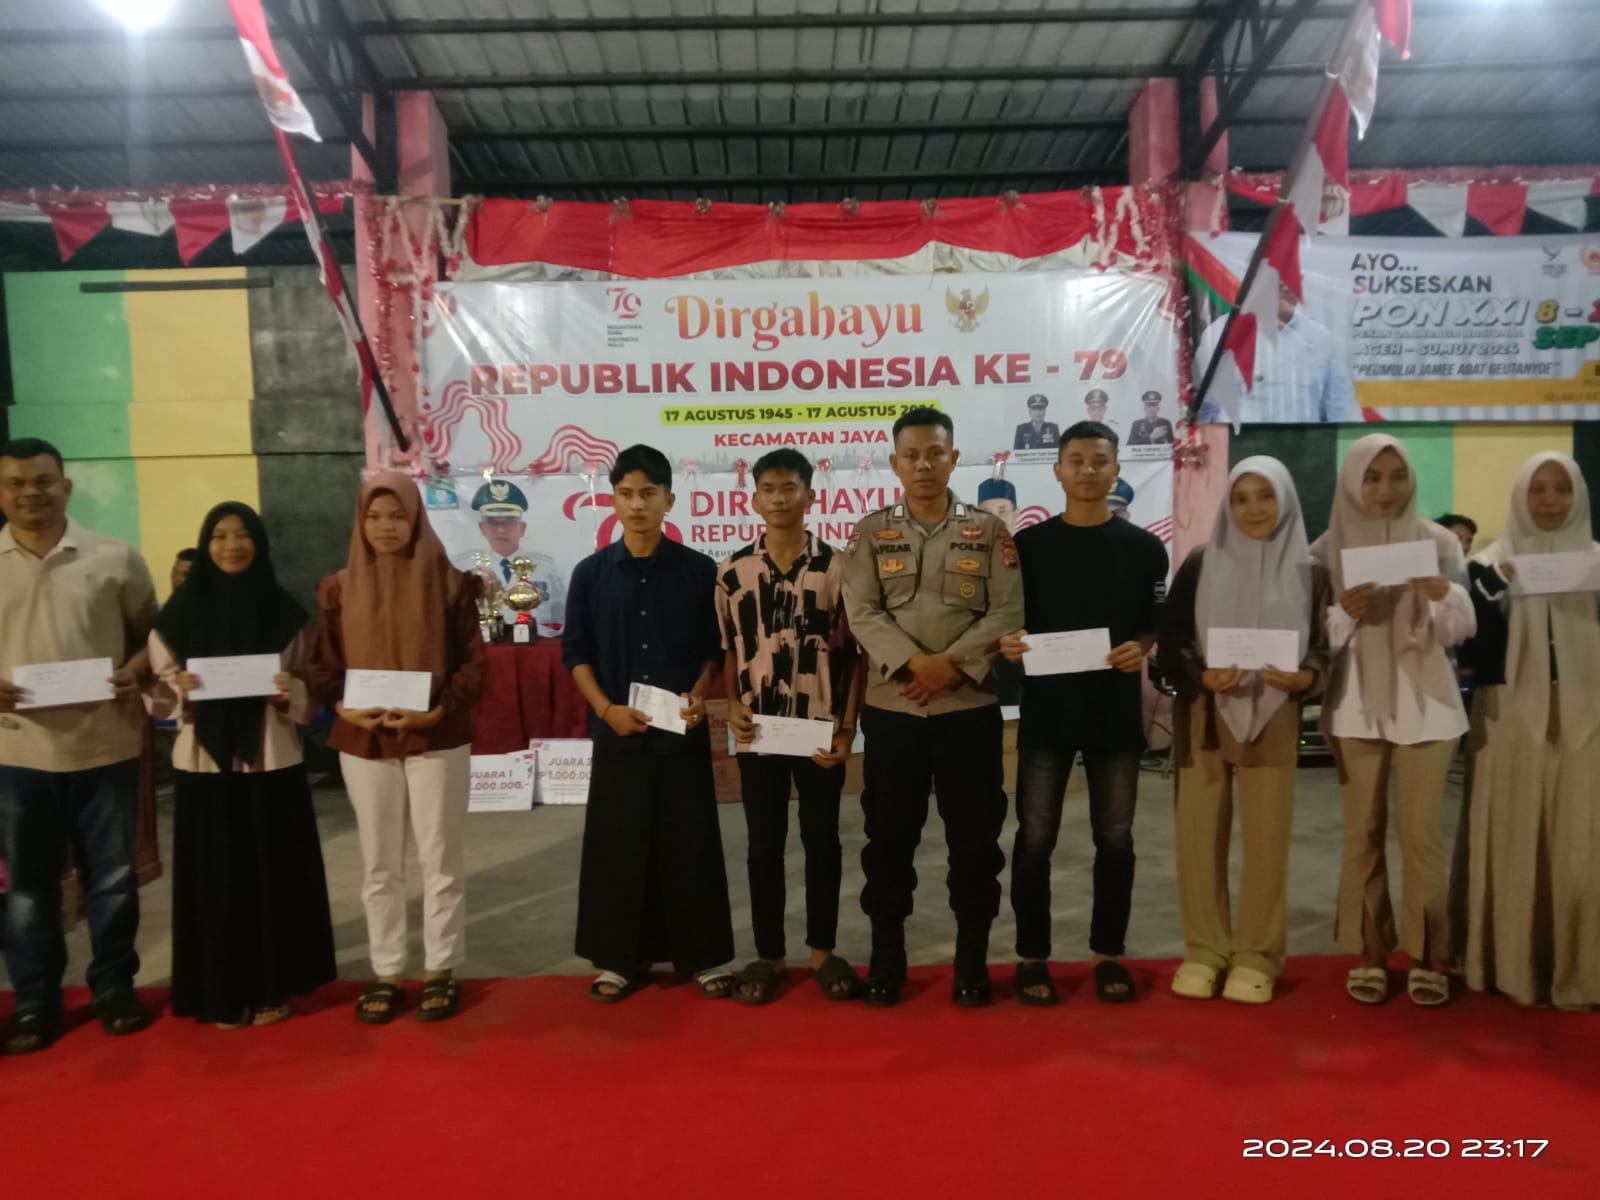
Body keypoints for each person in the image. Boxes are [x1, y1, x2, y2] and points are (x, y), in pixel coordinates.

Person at [842, 406, 1022, 1007]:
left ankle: (971, 963)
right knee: (888, 841)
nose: (924, 464)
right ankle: (887, 962)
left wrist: (951, 666)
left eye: (935, 453)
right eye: (912, 455)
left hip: (967, 710)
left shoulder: (988, 532)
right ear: (895, 463)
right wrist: (915, 664)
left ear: (953, 457)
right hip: (894, 712)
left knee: (975, 842)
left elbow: (1006, 610)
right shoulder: (871, 532)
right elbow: (862, 611)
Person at [998, 421, 1168, 1005]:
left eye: (1099, 461)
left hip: (1114, 714)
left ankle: (1107, 954)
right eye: (1076, 460)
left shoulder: (1145, 549)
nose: (1088, 470)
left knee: (1115, 839)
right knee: (1034, 840)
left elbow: (1152, 625)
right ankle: (1031, 957)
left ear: (1116, 469)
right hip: (1046, 713)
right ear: (1058, 470)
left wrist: (1142, 647)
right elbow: (1008, 622)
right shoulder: (1028, 547)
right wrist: (1010, 643)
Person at [307, 471, 487, 1025]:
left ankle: (439, 968)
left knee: (440, 859)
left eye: (397, 515)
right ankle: (387, 971)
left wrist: (437, 710)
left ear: (417, 519)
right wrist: (345, 708)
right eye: (374, 516)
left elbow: (474, 664)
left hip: (436, 735)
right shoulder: (338, 588)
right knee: (380, 864)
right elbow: (322, 665)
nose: (385, 526)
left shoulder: (452, 584)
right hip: (366, 740)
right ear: (360, 522)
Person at [149, 502, 336, 1029]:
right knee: (215, 878)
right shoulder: (177, 616)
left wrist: (291, 692)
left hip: (271, 757)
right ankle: (221, 990)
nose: (232, 545)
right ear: (205, 544)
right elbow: (158, 694)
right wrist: (179, 690)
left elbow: (309, 685)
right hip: (204, 764)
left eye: (243, 535)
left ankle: (274, 983)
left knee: (270, 874)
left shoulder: (282, 611)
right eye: (219, 536)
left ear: (260, 542)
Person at [0, 437, 158, 1053]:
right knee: (27, 886)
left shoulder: (114, 557)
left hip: (105, 748)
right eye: (15, 483)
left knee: (113, 880)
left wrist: (136, 671)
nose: (30, 493)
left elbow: (152, 637)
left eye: (42, 481)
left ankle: (114, 988)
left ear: (65, 486)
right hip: (16, 755)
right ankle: (35, 1001)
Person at [562, 444, 735, 1002]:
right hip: (618, 734)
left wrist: (700, 692)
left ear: (669, 500)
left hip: (679, 735)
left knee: (690, 844)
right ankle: (618, 959)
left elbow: (714, 650)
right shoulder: (590, 574)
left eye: (648, 494)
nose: (637, 505)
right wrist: (606, 710)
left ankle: (703, 956)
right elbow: (575, 653)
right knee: (618, 847)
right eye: (626, 494)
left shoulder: (698, 571)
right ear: (613, 500)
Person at [1159, 458, 1330, 1005]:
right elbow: (1170, 642)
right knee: (1197, 837)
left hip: (1274, 717)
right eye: (1241, 498)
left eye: (1265, 496)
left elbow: (1325, 648)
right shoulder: (1201, 562)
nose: (1253, 509)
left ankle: (1257, 955)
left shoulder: (1312, 572)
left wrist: (1306, 678)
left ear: (1286, 501)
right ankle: (1204, 950)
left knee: (1267, 841)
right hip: (1205, 717)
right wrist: (1200, 674)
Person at [1313, 433, 1473, 1007]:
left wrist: (1443, 596)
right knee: (1362, 833)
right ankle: (1371, 952)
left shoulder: (1438, 542)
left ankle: (1428, 954)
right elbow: (1315, 643)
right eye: (1372, 476)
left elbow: (1458, 635)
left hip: (1427, 705)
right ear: (1352, 480)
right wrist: (1344, 613)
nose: (1385, 489)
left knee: (1422, 836)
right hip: (1356, 704)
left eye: (1397, 476)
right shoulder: (1325, 549)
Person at [717, 449, 866, 1005]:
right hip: (758, 731)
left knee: (822, 840)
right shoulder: (732, 572)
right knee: (763, 844)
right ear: (754, 499)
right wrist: (731, 703)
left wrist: (847, 730)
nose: (779, 498)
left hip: (820, 730)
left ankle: (823, 950)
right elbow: (730, 649)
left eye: (789, 487)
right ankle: (770, 954)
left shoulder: (839, 568)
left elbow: (855, 657)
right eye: (768, 489)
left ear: (810, 495)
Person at [1455, 452, 1600, 1009]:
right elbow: (1471, 648)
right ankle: (1513, 963)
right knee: (1513, 834)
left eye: (1561, 488)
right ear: (1520, 496)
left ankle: (1581, 965)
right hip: (1508, 718)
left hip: (1586, 716)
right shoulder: (1486, 567)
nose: (1548, 500)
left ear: (1578, 495)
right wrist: (1496, 588)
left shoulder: (1595, 562)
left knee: (1580, 841)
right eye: (1536, 489)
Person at [1197, 284, 1361, 424]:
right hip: (1237, 447)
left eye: (1291, 277)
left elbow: (1344, 414)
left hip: (1306, 448)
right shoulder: (1221, 334)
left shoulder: (1322, 340)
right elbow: (1204, 410)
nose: (1284, 285)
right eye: (1275, 278)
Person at [450, 475, 567, 636]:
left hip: (534, 643)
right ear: (482, 528)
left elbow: (560, 614)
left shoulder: (547, 568)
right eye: (493, 522)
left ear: (522, 528)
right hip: (482, 644)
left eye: (509, 522)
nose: (500, 529)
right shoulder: (464, 566)